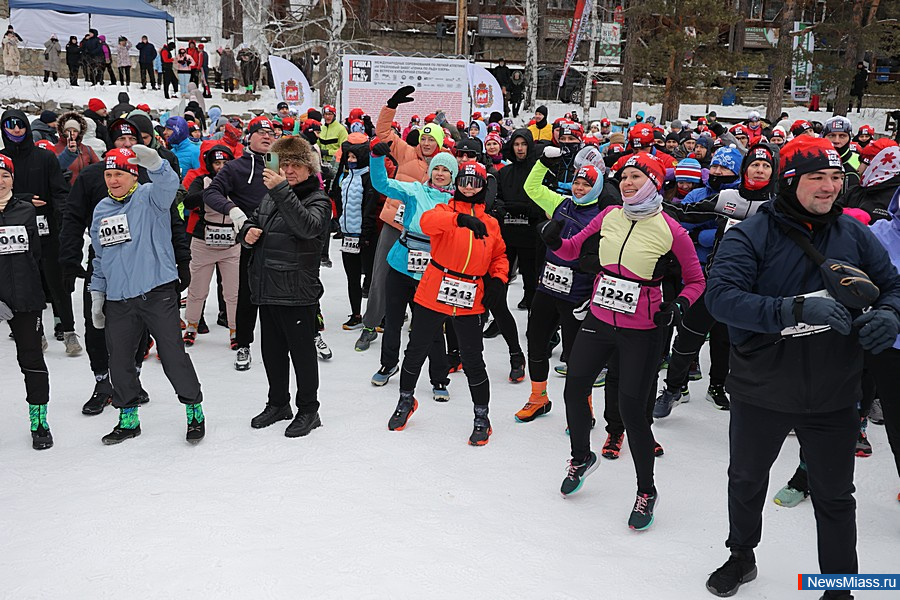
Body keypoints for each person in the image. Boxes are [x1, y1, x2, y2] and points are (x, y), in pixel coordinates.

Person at [703, 135, 900, 599]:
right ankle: (741, 556)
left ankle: (838, 588)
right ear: (790, 181)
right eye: (817, 177)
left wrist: (890, 314)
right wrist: (792, 310)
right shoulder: (750, 233)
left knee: (835, 497)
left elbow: (892, 284)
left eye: (836, 177)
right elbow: (721, 298)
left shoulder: (855, 235)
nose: (830, 187)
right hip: (761, 389)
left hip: (834, 393)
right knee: (747, 481)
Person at [544, 152, 704, 530]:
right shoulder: (609, 215)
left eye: (636, 177)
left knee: (633, 411)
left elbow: (697, 280)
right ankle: (581, 456)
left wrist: (678, 304)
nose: (628, 183)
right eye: (624, 177)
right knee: (574, 389)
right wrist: (554, 240)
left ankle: (646, 490)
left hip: (642, 328)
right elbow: (571, 250)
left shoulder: (672, 230)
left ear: (654, 182)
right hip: (599, 317)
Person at [59, 117, 187, 416]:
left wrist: (182, 259)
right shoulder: (93, 176)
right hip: (107, 267)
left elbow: (172, 217)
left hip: (149, 273)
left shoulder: (149, 175)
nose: (128, 146)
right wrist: (68, 259)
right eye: (121, 141)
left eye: (133, 141)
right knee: (97, 328)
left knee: (138, 334)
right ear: (111, 144)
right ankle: (103, 383)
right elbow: (74, 217)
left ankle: (132, 381)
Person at [90, 145, 205, 445]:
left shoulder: (150, 197)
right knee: (120, 362)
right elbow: (100, 257)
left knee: (172, 356)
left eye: (119, 174)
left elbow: (169, 185)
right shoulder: (101, 209)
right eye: (108, 174)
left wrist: (156, 163)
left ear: (133, 175)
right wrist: (98, 293)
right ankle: (128, 419)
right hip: (120, 299)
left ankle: (194, 410)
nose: (113, 180)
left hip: (157, 293)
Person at [388, 161, 509, 445]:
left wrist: (498, 279)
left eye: (475, 182)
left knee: (473, 359)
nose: (469, 187)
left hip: (469, 294)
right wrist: (459, 220)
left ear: (483, 186)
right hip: (435, 286)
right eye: (464, 181)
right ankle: (406, 400)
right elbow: (427, 224)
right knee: (416, 349)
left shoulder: (490, 223)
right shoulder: (444, 210)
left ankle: (482, 416)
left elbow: (499, 256)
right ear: (457, 184)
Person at [516, 146, 621, 424]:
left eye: (586, 184)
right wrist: (542, 162)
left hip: (578, 295)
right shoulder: (561, 204)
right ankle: (538, 397)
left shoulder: (605, 217)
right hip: (547, 288)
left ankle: (583, 409)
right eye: (576, 182)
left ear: (597, 187)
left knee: (577, 359)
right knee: (536, 344)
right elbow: (532, 187)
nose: (579, 188)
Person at [237, 136, 331, 437]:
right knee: (272, 352)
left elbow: (306, 227)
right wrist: (248, 231)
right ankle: (278, 403)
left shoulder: (318, 200)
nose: (289, 170)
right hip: (267, 288)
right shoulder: (271, 197)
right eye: (284, 164)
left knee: (302, 355)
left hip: (297, 292)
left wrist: (279, 189)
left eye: (295, 165)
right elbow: (253, 220)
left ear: (308, 168)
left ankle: (308, 409)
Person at [2, 109, 77, 355]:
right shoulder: (1, 160)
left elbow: (59, 191)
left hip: (47, 230)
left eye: (20, 125)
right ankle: (37, 333)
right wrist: (24, 200)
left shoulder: (44, 158)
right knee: (29, 285)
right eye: (10, 126)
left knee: (58, 282)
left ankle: (69, 331)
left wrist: (66, 224)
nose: (16, 130)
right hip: (14, 235)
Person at [204, 116, 274, 371]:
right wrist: (233, 211)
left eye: (271, 133)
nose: (267, 136)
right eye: (261, 133)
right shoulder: (235, 167)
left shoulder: (281, 163)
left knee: (291, 291)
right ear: (249, 137)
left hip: (282, 240)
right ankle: (243, 343)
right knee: (247, 294)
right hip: (250, 240)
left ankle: (309, 334)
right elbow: (210, 192)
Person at [0, 154, 53, 449]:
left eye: (5, 175)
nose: (0, 181)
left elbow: (35, 255)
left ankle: (39, 420)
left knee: (31, 360)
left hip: (26, 299)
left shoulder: (26, 212)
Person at [183, 144, 239, 349]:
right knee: (197, 288)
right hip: (203, 241)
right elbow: (188, 201)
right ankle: (191, 326)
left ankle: (235, 329)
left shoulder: (238, 182)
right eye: (217, 163)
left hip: (231, 243)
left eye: (225, 163)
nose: (221, 167)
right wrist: (211, 192)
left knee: (233, 291)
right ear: (210, 165)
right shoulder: (201, 180)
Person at [332, 139, 379, 328]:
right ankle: (356, 314)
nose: (350, 160)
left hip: (365, 236)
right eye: (348, 157)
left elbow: (370, 207)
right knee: (352, 277)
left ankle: (377, 315)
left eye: (354, 157)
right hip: (347, 235)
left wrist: (365, 235)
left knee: (372, 278)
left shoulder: (369, 177)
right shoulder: (346, 177)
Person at [53, 112, 100, 183]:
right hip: (63, 190)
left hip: (84, 190)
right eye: (68, 130)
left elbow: (98, 168)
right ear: (62, 131)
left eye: (75, 131)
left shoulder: (87, 149)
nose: (72, 133)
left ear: (79, 132)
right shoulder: (54, 148)